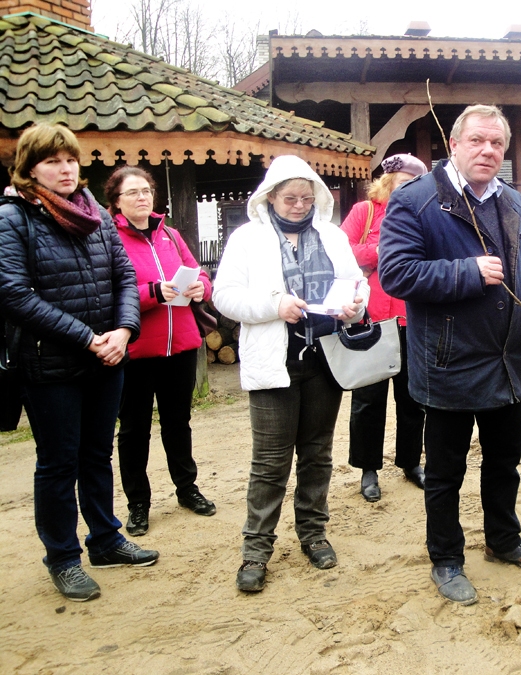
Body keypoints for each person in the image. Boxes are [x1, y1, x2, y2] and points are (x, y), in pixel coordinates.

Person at [379, 105, 521, 605]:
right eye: (478, 141)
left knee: (505, 463)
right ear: (455, 145)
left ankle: (504, 542)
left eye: (497, 144)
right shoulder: (416, 200)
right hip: (447, 362)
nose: (488, 151)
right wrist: (466, 271)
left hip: (506, 359)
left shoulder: (508, 200)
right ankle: (446, 560)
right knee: (444, 474)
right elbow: (396, 274)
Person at [0, 124, 158, 602]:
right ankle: (63, 557)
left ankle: (105, 539)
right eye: (52, 161)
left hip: (107, 357)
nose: (65, 169)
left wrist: (125, 330)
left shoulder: (96, 214)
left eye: (69, 159)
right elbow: (13, 294)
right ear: (29, 169)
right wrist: (89, 338)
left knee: (97, 454)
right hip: (50, 365)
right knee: (57, 463)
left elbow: (125, 277)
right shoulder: (13, 218)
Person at [213, 155, 368, 593]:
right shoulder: (248, 239)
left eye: (306, 197)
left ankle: (313, 534)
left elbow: (357, 282)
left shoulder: (333, 236)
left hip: (325, 360)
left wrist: (356, 304)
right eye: (289, 198)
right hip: (275, 363)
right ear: (270, 198)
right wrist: (273, 306)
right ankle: (256, 550)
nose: (299, 205)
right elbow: (224, 295)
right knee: (269, 462)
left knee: (317, 453)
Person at [107, 166, 217, 536]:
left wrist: (202, 287)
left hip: (181, 346)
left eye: (147, 191)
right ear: (116, 201)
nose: (142, 198)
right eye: (133, 192)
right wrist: (152, 294)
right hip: (136, 351)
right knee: (135, 430)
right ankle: (138, 503)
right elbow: (107, 297)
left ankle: (187, 489)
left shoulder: (169, 233)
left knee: (177, 423)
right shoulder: (108, 238)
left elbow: (197, 272)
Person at [340, 154, 428, 502]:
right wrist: (383, 250)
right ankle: (368, 469)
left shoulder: (424, 215)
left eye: (412, 183)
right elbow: (345, 253)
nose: (403, 188)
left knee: (413, 398)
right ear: (387, 181)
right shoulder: (365, 212)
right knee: (368, 399)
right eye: (399, 181)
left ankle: (410, 462)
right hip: (372, 318)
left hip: (412, 317)